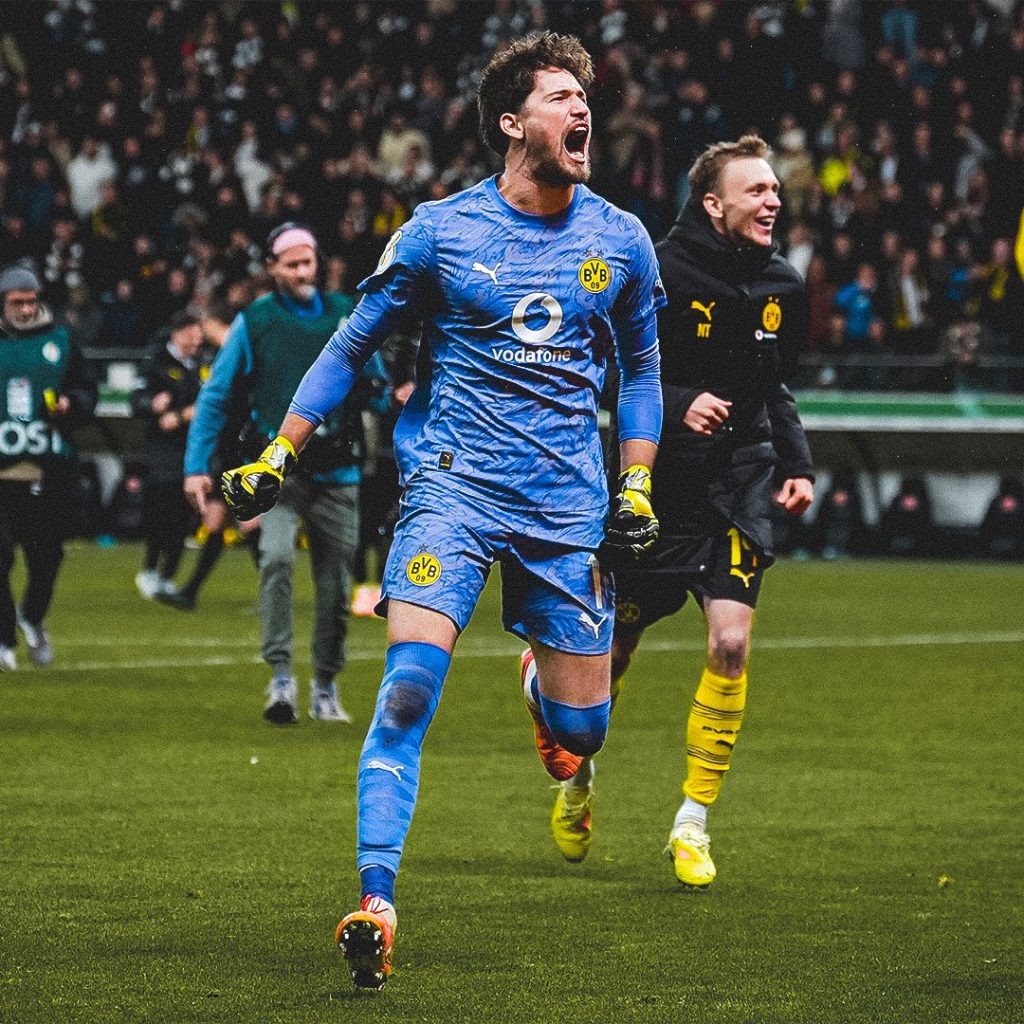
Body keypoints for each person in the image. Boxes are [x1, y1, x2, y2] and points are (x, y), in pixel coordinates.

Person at [220, 32, 664, 991]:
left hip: (568, 509)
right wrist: (278, 449)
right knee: (410, 690)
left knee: (581, 741)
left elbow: (643, 373)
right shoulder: (437, 231)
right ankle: (377, 902)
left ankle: (543, 694)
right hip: (451, 494)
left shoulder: (620, 240)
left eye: (585, 95)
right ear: (513, 122)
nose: (582, 108)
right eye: (559, 95)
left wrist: (635, 482)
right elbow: (349, 346)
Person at [533, 136, 815, 889]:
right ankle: (577, 781)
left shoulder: (784, 285)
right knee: (611, 659)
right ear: (713, 203)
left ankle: (692, 820)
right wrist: (682, 404)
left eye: (775, 189)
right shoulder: (650, 268)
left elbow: (775, 387)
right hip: (658, 487)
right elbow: (605, 370)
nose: (773, 200)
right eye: (756, 190)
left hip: (740, 485)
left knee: (730, 644)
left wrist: (796, 466)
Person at [185, 223, 388, 726]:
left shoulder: (345, 313)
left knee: (337, 586)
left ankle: (325, 682)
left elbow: (378, 384)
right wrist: (195, 466)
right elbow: (215, 396)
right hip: (274, 475)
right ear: (272, 269)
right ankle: (281, 676)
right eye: (292, 263)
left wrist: (387, 394)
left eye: (309, 261)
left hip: (338, 470)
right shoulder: (254, 321)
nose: (303, 271)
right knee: (275, 560)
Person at [0, 262, 96, 669]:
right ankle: (5, 638)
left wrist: (73, 404)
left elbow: (87, 392)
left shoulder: (61, 339)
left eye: (30, 301)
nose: (24, 310)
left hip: (50, 467)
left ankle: (32, 618)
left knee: (47, 557)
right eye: (16, 303)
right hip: (3, 471)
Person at [159, 300, 261, 611]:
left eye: (206, 327)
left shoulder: (243, 354)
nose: (202, 334)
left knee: (249, 523)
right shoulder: (224, 357)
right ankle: (190, 593)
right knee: (216, 520)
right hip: (230, 451)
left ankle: (272, 595)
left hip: (248, 450)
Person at [133, 309, 206, 601]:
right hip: (162, 452)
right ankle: (150, 569)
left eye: (198, 336)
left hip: (193, 449)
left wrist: (182, 415)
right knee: (161, 511)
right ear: (178, 333)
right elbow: (136, 401)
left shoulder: (202, 363)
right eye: (191, 334)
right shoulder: (155, 363)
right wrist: (152, 404)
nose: (195, 341)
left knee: (185, 515)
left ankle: (167, 575)